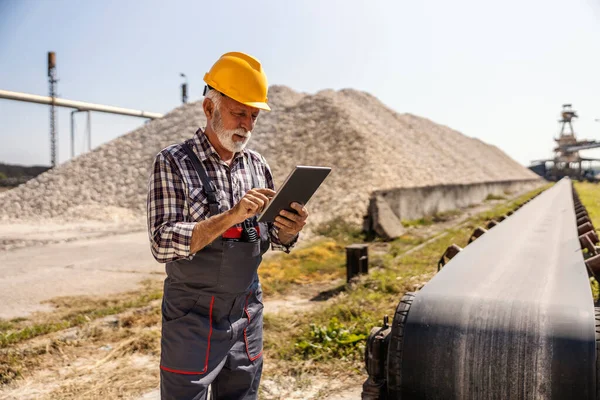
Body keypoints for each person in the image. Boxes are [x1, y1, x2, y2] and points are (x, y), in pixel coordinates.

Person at [146, 51, 309, 400]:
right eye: (239, 113)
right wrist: (230, 217)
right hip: (192, 314)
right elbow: (162, 242)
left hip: (246, 311)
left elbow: (272, 236)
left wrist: (289, 230)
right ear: (209, 108)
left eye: (253, 116)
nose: (247, 125)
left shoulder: (257, 165)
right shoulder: (173, 162)